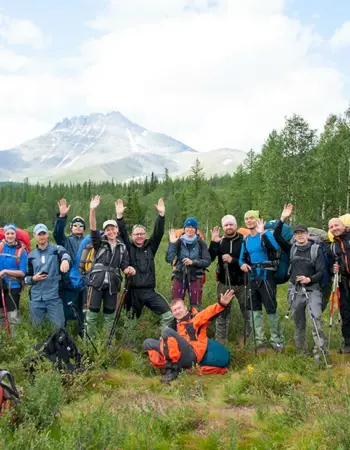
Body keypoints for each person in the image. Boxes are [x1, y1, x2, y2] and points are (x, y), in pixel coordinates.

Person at [143, 289, 234, 383]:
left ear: (185, 308)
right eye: (174, 310)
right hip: (178, 356)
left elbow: (207, 313)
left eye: (179, 308)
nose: (177, 312)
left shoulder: (194, 320)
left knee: (166, 331)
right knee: (148, 343)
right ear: (172, 313)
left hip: (192, 355)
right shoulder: (174, 325)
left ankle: (172, 370)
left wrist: (221, 304)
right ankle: (166, 367)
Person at [115, 198, 173, 328]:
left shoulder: (150, 247)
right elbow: (122, 233)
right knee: (129, 323)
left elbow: (158, 233)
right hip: (132, 292)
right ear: (132, 236)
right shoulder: (128, 247)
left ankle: (164, 341)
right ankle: (128, 346)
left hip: (149, 291)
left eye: (142, 234)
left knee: (168, 315)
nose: (140, 236)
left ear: (145, 235)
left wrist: (161, 216)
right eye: (136, 234)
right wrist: (119, 217)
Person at [86, 195, 135, 339]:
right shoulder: (98, 243)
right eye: (107, 229)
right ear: (105, 232)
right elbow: (93, 228)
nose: (110, 231)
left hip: (113, 285)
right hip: (96, 284)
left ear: (117, 230)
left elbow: (124, 266)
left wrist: (129, 270)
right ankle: (89, 343)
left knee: (109, 317)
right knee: (91, 316)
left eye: (113, 228)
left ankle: (108, 344)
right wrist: (92, 210)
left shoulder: (122, 248)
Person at [239, 210, 284, 352]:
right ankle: (259, 341)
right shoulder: (246, 240)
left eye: (252, 218)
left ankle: (277, 340)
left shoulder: (265, 234)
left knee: (271, 308)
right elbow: (241, 258)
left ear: (258, 220)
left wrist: (263, 233)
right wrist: (242, 264)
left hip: (267, 276)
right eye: (246, 218)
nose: (249, 221)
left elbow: (275, 248)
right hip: (252, 277)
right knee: (255, 308)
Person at [209, 215, 251, 344]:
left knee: (248, 313)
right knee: (222, 314)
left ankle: (249, 340)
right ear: (223, 227)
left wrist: (232, 260)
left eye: (231, 224)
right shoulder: (220, 241)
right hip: (224, 283)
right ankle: (221, 342)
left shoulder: (244, 240)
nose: (228, 227)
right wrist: (213, 242)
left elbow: (249, 261)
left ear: (235, 225)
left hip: (243, 283)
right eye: (226, 225)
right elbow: (209, 258)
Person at [25, 223, 71, 329]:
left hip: (54, 296)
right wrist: (33, 278)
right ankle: (38, 346)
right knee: (35, 328)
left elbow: (65, 254)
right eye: (39, 234)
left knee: (59, 328)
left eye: (43, 234)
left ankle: (60, 345)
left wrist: (65, 260)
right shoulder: (31, 256)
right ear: (34, 236)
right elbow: (26, 278)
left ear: (47, 235)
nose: (41, 236)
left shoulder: (56, 249)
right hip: (36, 298)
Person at [53, 198, 86, 330]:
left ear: (84, 228)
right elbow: (57, 233)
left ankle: (82, 337)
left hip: (84, 283)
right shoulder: (65, 241)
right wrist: (62, 217)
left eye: (81, 226)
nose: (78, 228)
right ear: (71, 227)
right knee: (65, 312)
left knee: (83, 314)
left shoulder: (89, 242)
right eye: (75, 225)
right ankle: (64, 338)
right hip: (68, 282)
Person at [165, 217, 211, 310]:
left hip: (196, 276)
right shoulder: (178, 241)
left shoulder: (201, 243)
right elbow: (169, 259)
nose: (190, 229)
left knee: (195, 306)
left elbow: (207, 261)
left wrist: (193, 262)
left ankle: (194, 323)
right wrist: (172, 243)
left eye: (192, 227)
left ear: (196, 230)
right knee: (177, 303)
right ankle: (177, 323)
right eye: (188, 227)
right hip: (179, 275)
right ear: (184, 228)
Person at [0, 224, 28, 333]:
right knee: (1, 314)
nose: (10, 236)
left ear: (16, 235)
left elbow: (22, 272)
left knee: (13, 316)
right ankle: (3, 338)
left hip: (14, 286)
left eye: (12, 233)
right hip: (0, 284)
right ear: (4, 235)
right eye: (8, 233)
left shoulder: (21, 251)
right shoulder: (1, 247)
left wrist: (6, 271)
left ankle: (14, 341)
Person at [328, 217, 350, 352]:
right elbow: (330, 266)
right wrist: (334, 269)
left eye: (336, 225)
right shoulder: (333, 246)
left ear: (343, 225)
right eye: (331, 227)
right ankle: (348, 343)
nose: (334, 228)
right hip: (344, 283)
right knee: (346, 312)